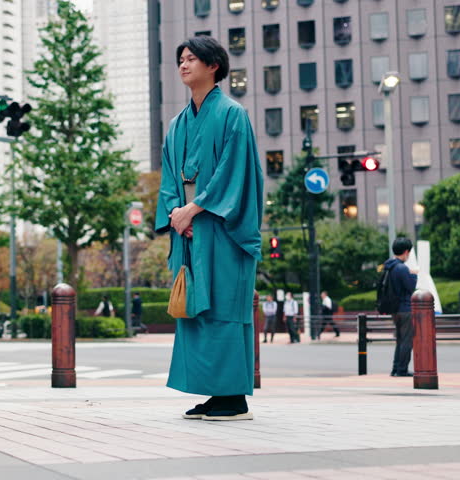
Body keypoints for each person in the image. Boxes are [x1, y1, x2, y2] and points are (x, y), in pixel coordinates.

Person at [155, 36, 263, 421]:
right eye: (180, 59)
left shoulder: (233, 114)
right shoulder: (177, 124)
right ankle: (216, 394)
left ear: (213, 65)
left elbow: (235, 172)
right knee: (196, 311)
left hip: (223, 227)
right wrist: (175, 214)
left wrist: (194, 209)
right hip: (190, 228)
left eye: (192, 59)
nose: (184, 65)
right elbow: (170, 177)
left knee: (225, 309)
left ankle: (234, 398)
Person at [384, 237, 419, 377]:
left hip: (394, 308)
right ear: (406, 251)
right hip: (405, 308)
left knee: (400, 339)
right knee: (406, 340)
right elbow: (411, 287)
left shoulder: (389, 266)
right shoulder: (401, 268)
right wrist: (414, 275)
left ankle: (395, 368)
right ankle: (402, 369)